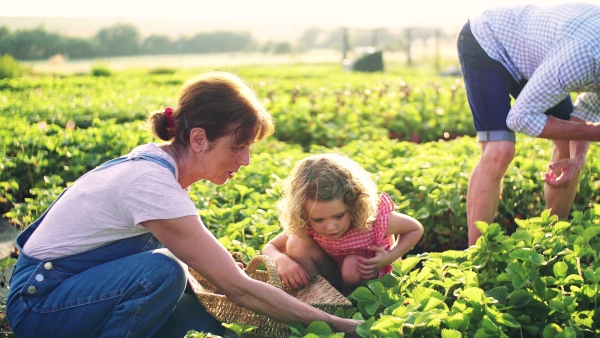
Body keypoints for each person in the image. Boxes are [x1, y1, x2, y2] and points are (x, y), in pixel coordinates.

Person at [6, 71, 362, 338]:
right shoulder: (150, 184)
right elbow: (236, 287)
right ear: (198, 139)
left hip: (75, 290)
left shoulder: (160, 166)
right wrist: (336, 324)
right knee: (163, 272)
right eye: (237, 147)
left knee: (201, 322)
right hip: (40, 304)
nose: (246, 160)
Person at [456, 3, 600, 246]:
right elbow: (520, 118)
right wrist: (594, 133)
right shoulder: (583, 57)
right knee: (500, 150)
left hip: (538, 55)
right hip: (490, 41)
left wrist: (579, 159)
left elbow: (584, 114)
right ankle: (477, 258)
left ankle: (554, 244)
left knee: (569, 147)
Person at [262, 153, 424, 295]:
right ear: (303, 212)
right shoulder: (306, 220)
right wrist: (282, 261)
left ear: (353, 204)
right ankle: (323, 296)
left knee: (352, 264)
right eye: (319, 220)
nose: (331, 227)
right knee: (296, 242)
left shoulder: (371, 219)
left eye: (339, 216)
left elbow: (414, 229)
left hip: (369, 279)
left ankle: (355, 304)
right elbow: (270, 247)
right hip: (333, 275)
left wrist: (388, 257)